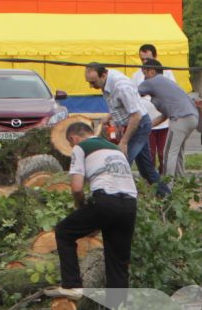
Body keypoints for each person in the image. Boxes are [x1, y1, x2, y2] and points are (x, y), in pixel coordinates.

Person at [48, 119, 138, 298]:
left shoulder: (81, 148)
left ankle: (72, 285)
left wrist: (82, 209)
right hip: (130, 203)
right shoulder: (115, 149)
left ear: (74, 138)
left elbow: (77, 187)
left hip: (105, 200)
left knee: (64, 232)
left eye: (70, 143)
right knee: (117, 260)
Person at [84, 62, 170, 196]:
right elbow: (119, 106)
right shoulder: (106, 82)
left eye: (93, 82)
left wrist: (124, 141)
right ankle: (166, 196)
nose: (91, 86)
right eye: (89, 82)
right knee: (146, 170)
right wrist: (111, 119)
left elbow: (136, 116)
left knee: (120, 163)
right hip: (132, 123)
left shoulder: (121, 86)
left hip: (140, 125)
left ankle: (115, 196)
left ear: (103, 75)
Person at [136, 62, 199, 180]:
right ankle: (181, 183)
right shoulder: (166, 84)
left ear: (152, 72)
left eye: (145, 73)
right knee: (178, 152)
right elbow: (164, 116)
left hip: (180, 118)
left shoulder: (153, 81)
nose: (144, 77)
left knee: (168, 153)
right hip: (192, 118)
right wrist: (147, 126)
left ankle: (167, 187)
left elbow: (132, 94)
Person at [138, 44, 177, 169]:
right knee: (150, 155)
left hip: (164, 122)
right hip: (147, 121)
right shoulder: (136, 75)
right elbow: (134, 96)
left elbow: (173, 93)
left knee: (163, 154)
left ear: (155, 57)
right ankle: (151, 181)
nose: (145, 62)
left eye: (148, 59)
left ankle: (164, 179)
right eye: (142, 59)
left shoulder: (166, 73)